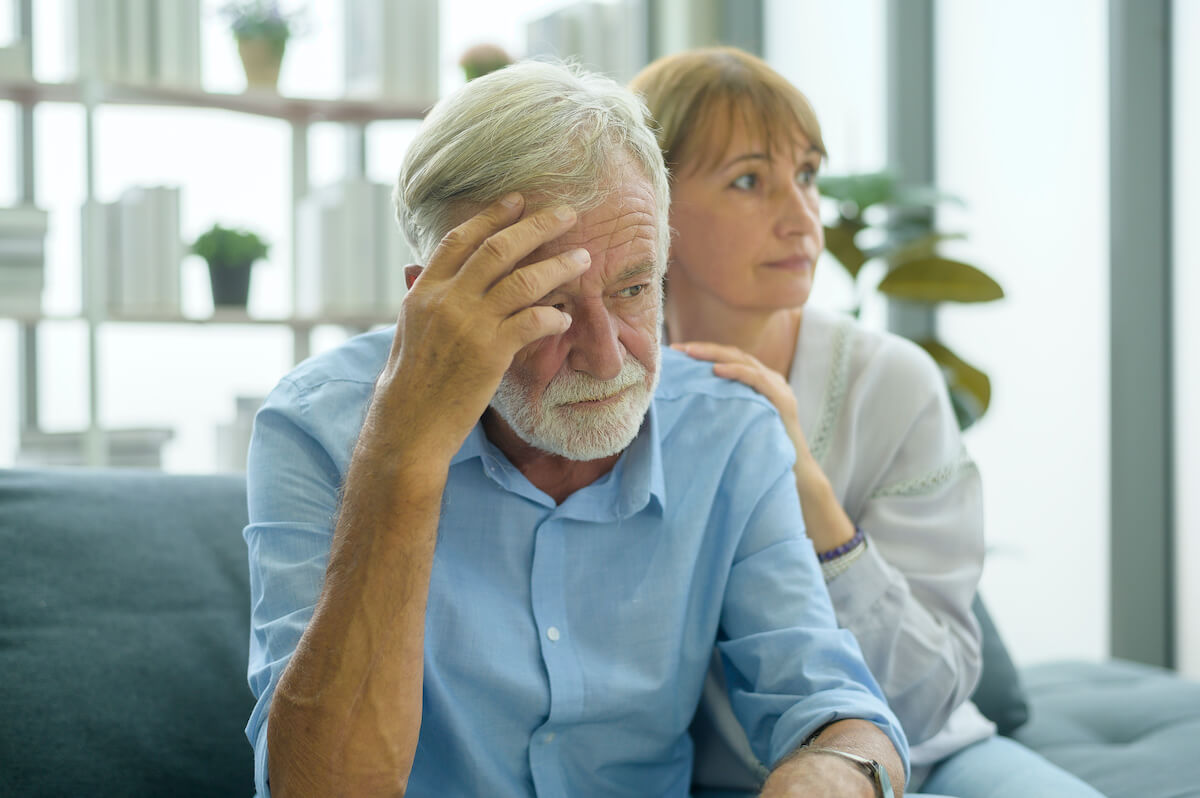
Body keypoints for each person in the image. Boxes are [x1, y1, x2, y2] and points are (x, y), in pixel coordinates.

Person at [243, 60, 911, 798]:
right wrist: (405, 452)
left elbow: (832, 709)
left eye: (634, 290)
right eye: (546, 305)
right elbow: (318, 788)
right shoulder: (317, 427)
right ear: (433, 301)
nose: (604, 354)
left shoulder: (727, 430)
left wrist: (829, 775)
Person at [630, 46, 1107, 798]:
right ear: (648, 204)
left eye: (809, 175)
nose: (801, 216)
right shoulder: (603, 393)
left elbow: (927, 694)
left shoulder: (895, 384)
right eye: (750, 181)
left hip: (929, 758)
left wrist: (804, 482)